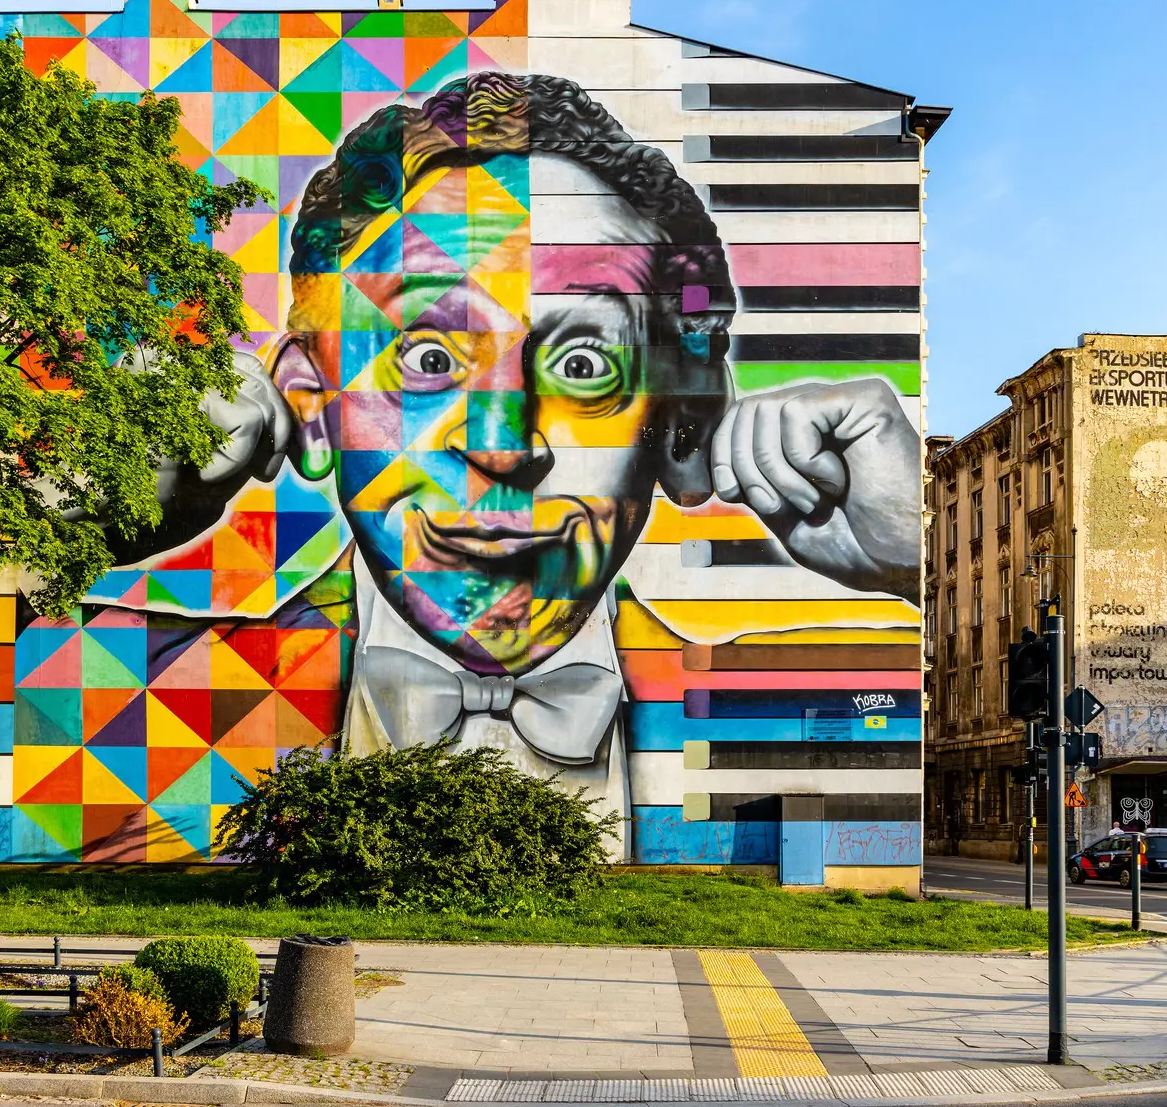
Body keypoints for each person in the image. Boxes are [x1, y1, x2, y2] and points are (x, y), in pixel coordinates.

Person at [94, 71, 920, 826]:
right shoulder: (147, 696)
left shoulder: (757, 705)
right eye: (427, 359)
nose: (503, 446)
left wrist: (916, 559)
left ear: (684, 424)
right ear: (313, 407)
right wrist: (103, 507)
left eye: (583, 364)